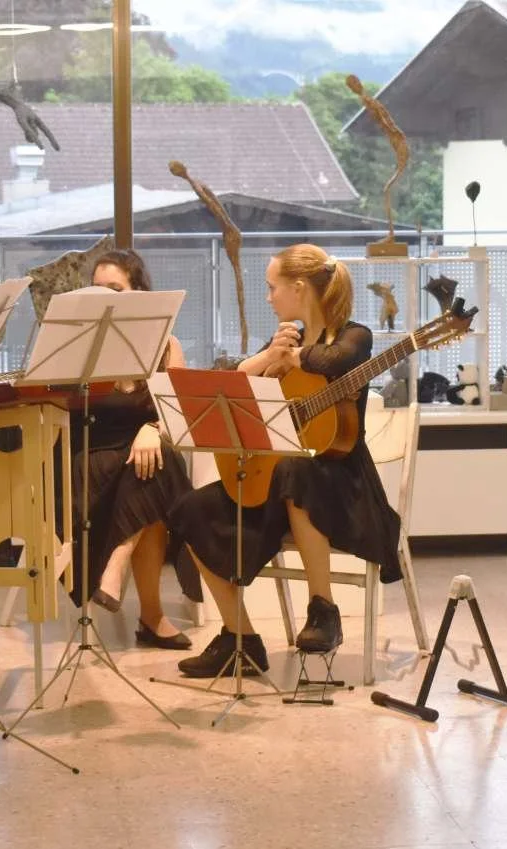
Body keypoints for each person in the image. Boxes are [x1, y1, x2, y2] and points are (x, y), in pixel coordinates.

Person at [169, 243, 402, 678]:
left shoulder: (354, 335)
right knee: (191, 508)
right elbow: (230, 385)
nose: (269, 297)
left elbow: (337, 358)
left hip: (343, 487)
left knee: (298, 469)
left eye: (272, 287)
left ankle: (323, 609)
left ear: (298, 288)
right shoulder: (284, 338)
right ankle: (239, 639)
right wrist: (270, 357)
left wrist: (294, 358)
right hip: (278, 484)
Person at [67, 248, 199, 649]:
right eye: (97, 290)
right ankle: (150, 616)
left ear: (139, 293)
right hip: (90, 458)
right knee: (155, 473)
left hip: (143, 458)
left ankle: (118, 562)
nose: (105, 298)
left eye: (115, 288)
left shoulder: (167, 345)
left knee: (155, 459)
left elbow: (179, 413)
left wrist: (152, 428)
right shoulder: (79, 347)